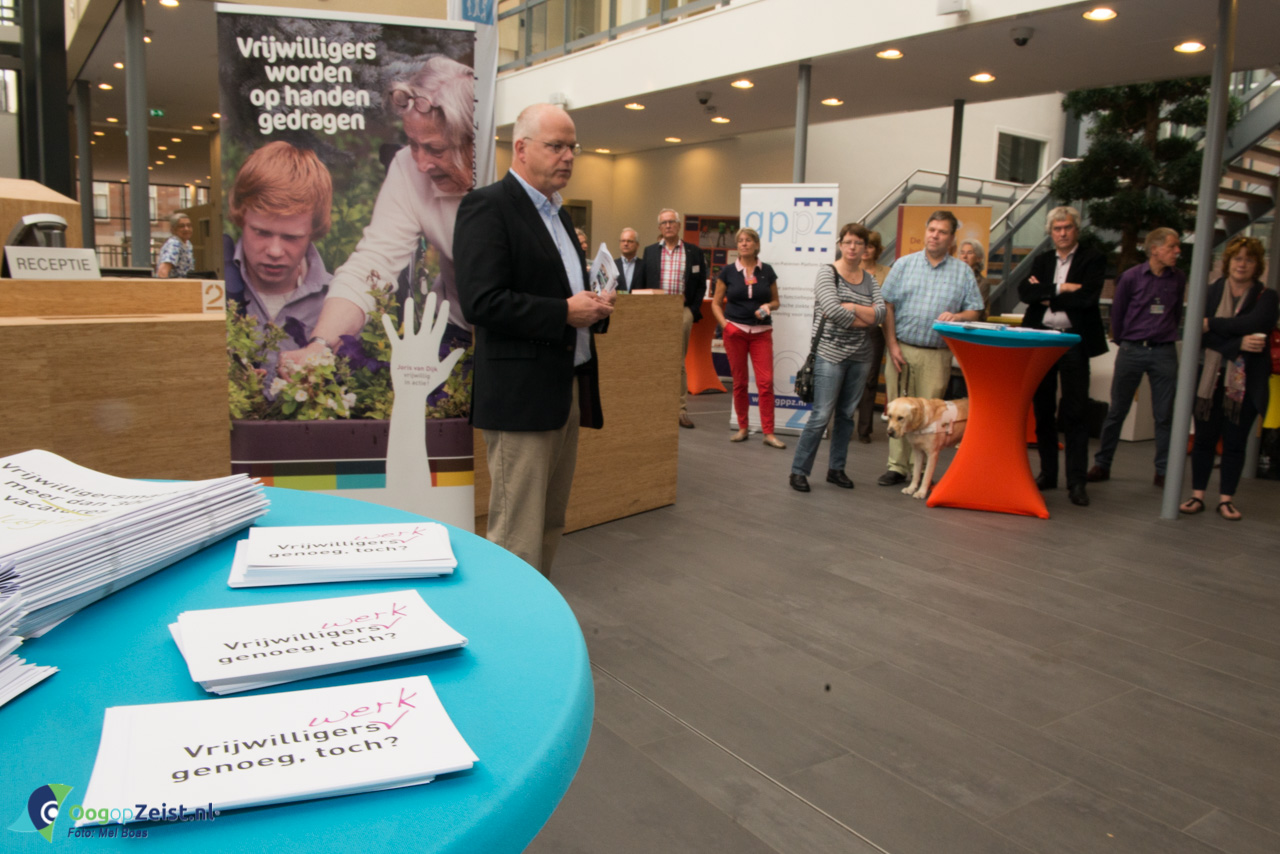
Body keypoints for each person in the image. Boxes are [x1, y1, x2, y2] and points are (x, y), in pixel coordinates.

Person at [453, 103, 614, 576]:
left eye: (572, 147)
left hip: (563, 388)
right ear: (521, 149)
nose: (568, 157)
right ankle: (507, 634)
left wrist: (592, 309)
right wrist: (565, 311)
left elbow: (559, 295)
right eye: (556, 146)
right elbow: (481, 302)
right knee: (515, 534)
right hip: (521, 398)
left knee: (548, 523)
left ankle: (536, 624)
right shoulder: (488, 206)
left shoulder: (560, 215)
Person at [284, 55, 475, 370]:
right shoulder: (407, 168)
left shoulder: (506, 170)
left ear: (473, 139)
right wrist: (320, 345)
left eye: (436, 149)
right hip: (453, 330)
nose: (421, 163)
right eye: (414, 144)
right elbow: (373, 264)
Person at [877, 210, 984, 487]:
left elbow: (976, 310)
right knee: (898, 410)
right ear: (925, 232)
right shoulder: (903, 264)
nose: (935, 235)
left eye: (942, 231)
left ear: (951, 238)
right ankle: (896, 467)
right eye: (931, 229)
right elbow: (886, 304)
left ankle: (919, 470)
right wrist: (891, 345)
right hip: (902, 349)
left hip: (938, 354)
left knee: (929, 417)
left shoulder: (962, 271)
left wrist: (958, 316)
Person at [1179, 236, 1278, 521]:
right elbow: (1198, 331)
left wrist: (1213, 324)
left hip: (1246, 383)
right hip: (1208, 380)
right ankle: (1197, 495)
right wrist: (1237, 344)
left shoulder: (1266, 296)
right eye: (1237, 258)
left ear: (1257, 265)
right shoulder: (1211, 292)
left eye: (1249, 259)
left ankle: (1226, 500)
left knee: (1235, 442)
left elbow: (1256, 324)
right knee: (1204, 440)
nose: (1242, 264)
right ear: (1228, 262)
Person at [1018, 206, 1108, 507]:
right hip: (1041, 341)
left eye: (1067, 227)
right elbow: (1024, 293)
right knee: (1042, 410)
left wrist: (1047, 293)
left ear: (1076, 228)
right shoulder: (1043, 260)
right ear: (1050, 231)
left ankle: (1077, 481)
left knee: (1075, 412)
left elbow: (1088, 298)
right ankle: (1048, 473)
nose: (1062, 233)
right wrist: (1062, 287)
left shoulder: (1092, 258)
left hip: (1073, 342)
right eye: (1056, 228)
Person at [790, 223, 885, 492]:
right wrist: (863, 317)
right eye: (848, 241)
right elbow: (831, 309)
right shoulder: (827, 273)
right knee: (821, 415)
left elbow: (880, 315)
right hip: (829, 354)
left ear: (866, 248)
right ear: (840, 244)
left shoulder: (870, 279)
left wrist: (853, 307)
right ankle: (798, 471)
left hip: (861, 356)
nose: (853, 247)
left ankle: (836, 469)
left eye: (859, 243)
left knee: (846, 415)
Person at [1089, 227, 1186, 488]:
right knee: (1117, 410)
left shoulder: (1178, 279)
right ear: (1155, 249)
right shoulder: (1130, 278)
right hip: (1132, 349)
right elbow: (1117, 316)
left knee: (1164, 414)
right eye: (1172, 246)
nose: (1178, 251)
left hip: (1164, 351)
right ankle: (1102, 464)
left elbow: (1176, 314)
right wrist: (1126, 343)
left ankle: (1163, 471)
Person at [224, 141, 334, 350]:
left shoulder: (337, 302)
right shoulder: (214, 293)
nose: (274, 251)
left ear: (314, 230)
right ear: (241, 217)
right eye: (261, 233)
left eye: (291, 237)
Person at [711, 227, 784, 448]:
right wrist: (726, 326)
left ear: (756, 245)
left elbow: (776, 302)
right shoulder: (727, 272)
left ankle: (768, 432)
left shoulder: (767, 271)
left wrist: (767, 306)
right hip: (736, 332)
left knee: (766, 383)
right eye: (740, 240)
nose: (744, 243)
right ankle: (743, 427)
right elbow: (715, 303)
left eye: (748, 240)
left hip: (761, 333)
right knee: (740, 382)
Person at [642, 208, 708, 428]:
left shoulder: (694, 252)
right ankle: (654, 408)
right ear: (659, 228)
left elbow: (700, 284)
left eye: (672, 222)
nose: (668, 226)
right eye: (664, 223)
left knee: (676, 360)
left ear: (679, 226)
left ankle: (679, 411)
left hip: (682, 310)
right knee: (654, 359)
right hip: (656, 311)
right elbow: (642, 282)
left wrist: (693, 309)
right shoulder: (650, 252)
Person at [855, 229, 891, 444]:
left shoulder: (886, 272)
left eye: (870, 246)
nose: (866, 250)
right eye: (863, 245)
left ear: (877, 250)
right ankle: (845, 422)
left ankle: (864, 429)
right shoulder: (849, 269)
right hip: (850, 326)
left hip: (874, 329)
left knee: (869, 379)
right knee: (846, 377)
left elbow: (885, 303)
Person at [957, 238, 991, 320]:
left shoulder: (983, 283)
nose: (964, 256)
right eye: (962, 253)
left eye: (969, 253)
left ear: (979, 258)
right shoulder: (953, 277)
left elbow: (977, 311)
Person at [156, 213, 194, 278]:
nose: (186, 229)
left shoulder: (188, 244)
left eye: (189, 225)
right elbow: (162, 271)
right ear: (173, 230)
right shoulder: (174, 244)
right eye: (182, 226)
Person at [614, 227, 644, 292]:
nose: (626, 244)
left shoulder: (644, 265)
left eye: (629, 241)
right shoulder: (613, 264)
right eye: (623, 241)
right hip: (617, 301)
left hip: (639, 301)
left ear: (637, 245)